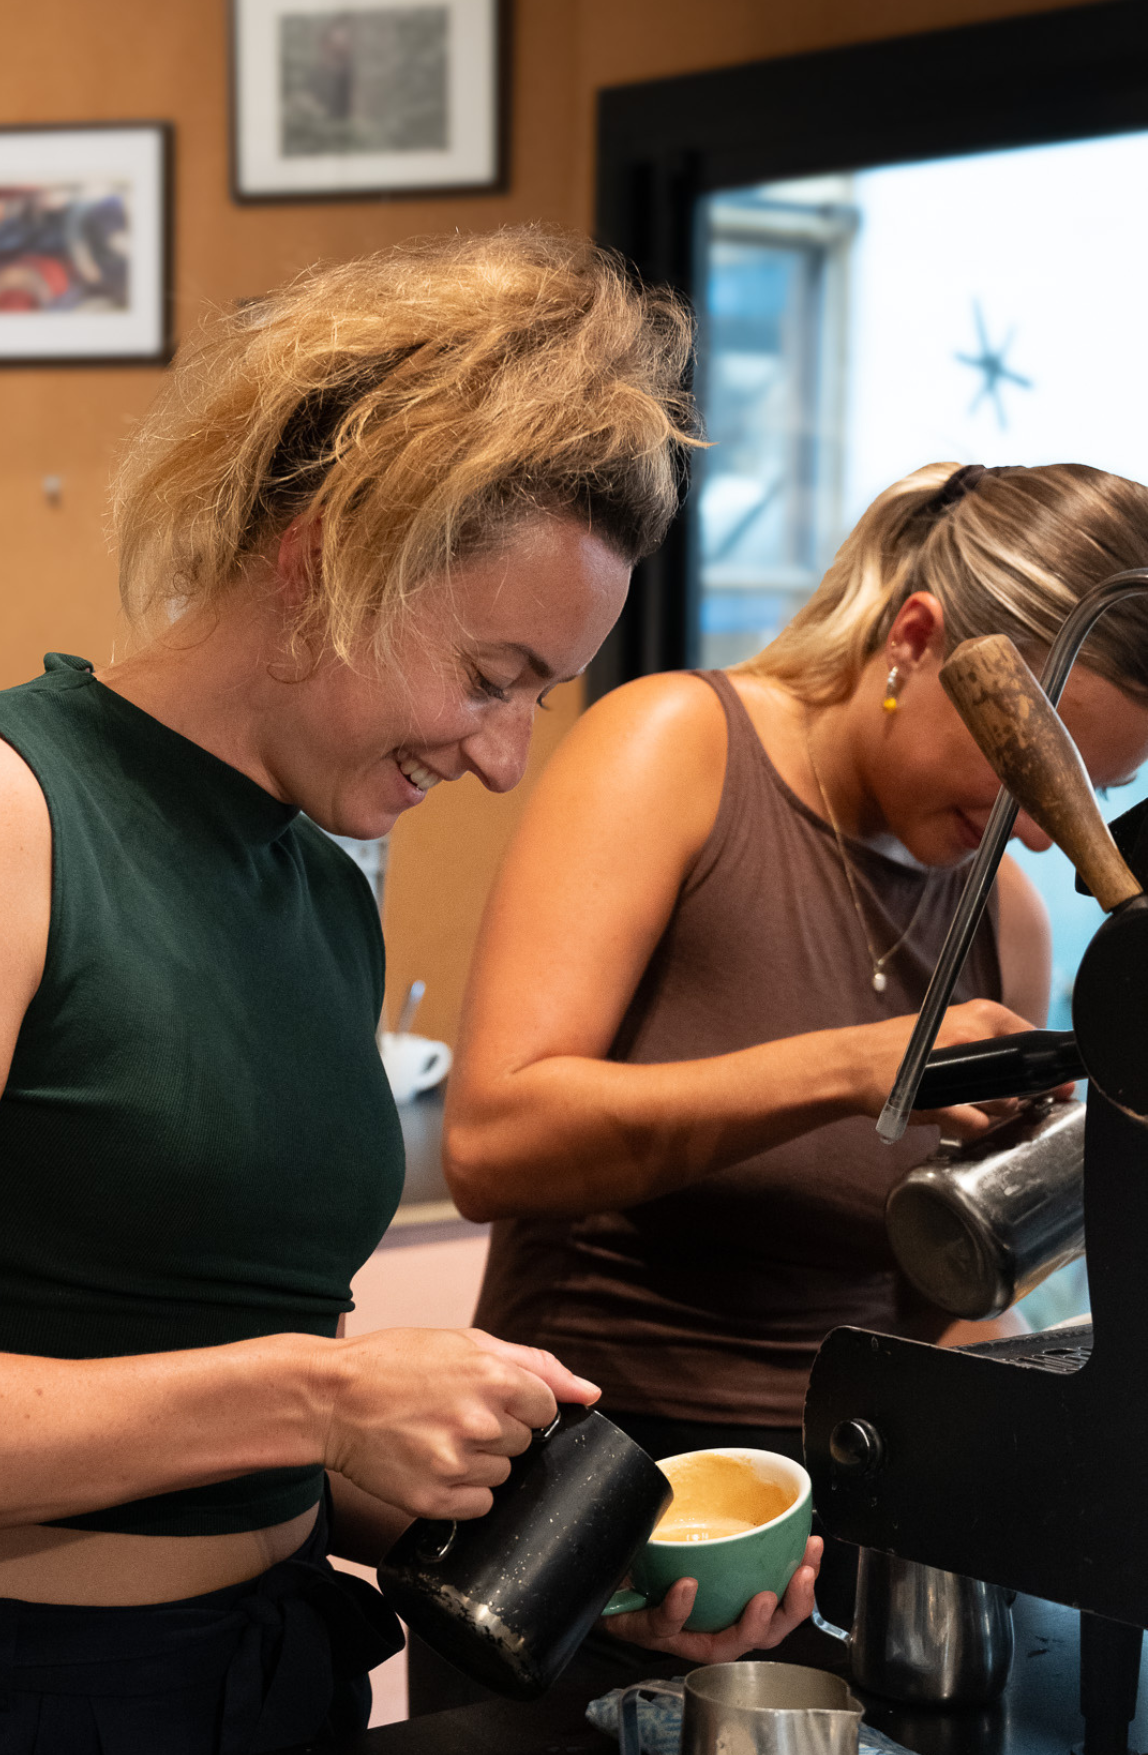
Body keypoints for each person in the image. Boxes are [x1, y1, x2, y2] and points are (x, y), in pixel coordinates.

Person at [0, 229, 820, 1755]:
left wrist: (576, 1566)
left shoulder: (317, 883)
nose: (503, 756)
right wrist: (319, 1396)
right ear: (327, 557)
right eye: (489, 675)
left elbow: (218, 1433)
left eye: (536, 697)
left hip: (263, 1672)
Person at [446, 461, 1148, 1474]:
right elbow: (490, 1146)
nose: (1040, 833)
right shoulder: (675, 747)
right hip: (595, 1477)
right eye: (1026, 765)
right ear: (915, 639)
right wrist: (852, 1067)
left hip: (849, 1484)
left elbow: (930, 1302)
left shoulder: (1006, 917)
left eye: (1090, 793)